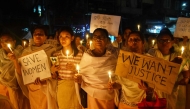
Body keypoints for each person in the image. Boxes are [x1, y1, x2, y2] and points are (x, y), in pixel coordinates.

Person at [11, 25, 58, 109]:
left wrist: (52, 73)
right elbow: (20, 73)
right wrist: (15, 60)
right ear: (32, 36)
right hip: (32, 88)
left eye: (41, 34)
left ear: (45, 37)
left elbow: (55, 70)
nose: (37, 36)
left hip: (46, 87)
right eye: (35, 34)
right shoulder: (26, 52)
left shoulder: (52, 51)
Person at [75, 28, 119, 109]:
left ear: (107, 40)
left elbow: (118, 75)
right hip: (91, 94)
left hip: (108, 94)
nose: (98, 39)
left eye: (101, 37)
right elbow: (82, 75)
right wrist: (79, 80)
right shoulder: (87, 56)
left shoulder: (113, 56)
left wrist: (114, 84)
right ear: (93, 40)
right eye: (95, 37)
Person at [148, 29, 189, 109]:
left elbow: (186, 70)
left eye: (167, 40)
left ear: (172, 42)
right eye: (161, 40)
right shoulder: (152, 53)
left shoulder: (177, 56)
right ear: (157, 41)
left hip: (171, 91)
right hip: (155, 90)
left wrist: (186, 78)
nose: (164, 43)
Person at [51, 26, 83, 109]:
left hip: (76, 88)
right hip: (62, 89)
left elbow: (85, 72)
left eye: (66, 36)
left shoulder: (80, 54)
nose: (63, 39)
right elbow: (54, 76)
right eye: (61, 36)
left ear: (72, 38)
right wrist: (53, 71)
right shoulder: (56, 55)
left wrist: (75, 69)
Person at [0, 33, 30, 109]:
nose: (4, 43)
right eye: (2, 41)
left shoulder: (21, 52)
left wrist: (14, 60)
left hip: (19, 85)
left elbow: (23, 70)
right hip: (3, 86)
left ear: (14, 41)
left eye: (7, 40)